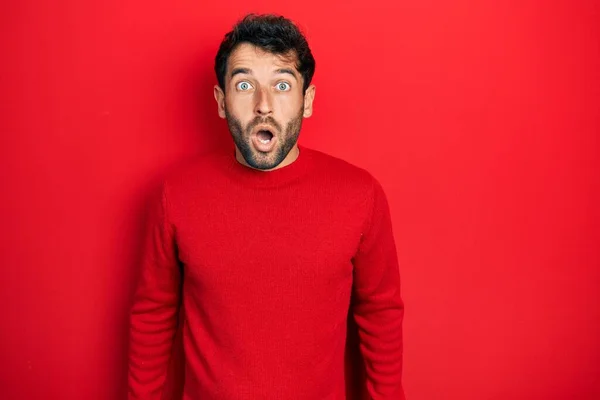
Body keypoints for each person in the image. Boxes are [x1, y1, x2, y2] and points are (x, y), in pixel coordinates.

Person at [128, 13, 405, 400]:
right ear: (222, 101)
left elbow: (380, 314)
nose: (263, 105)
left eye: (281, 84)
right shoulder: (176, 194)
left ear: (306, 101)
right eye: (244, 85)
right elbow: (152, 316)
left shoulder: (361, 194)